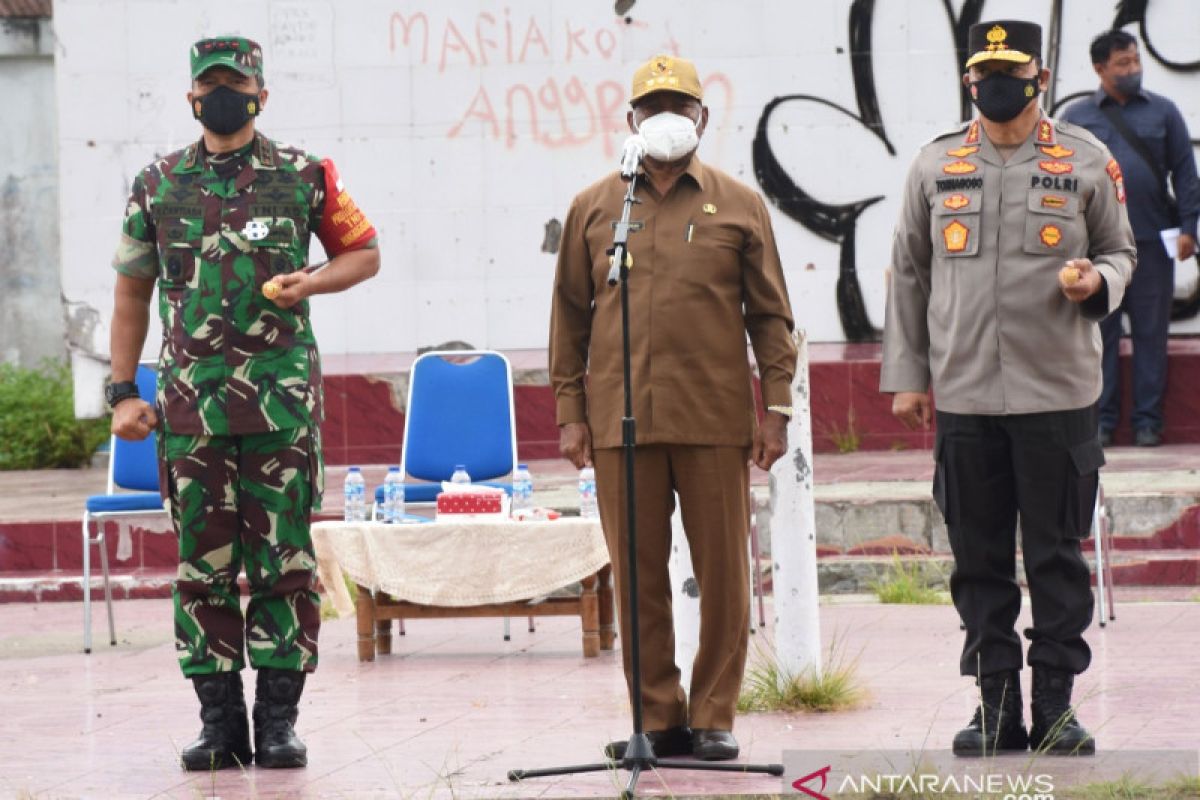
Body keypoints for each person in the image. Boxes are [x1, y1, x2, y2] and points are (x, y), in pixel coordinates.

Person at [106, 37, 380, 771]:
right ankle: (220, 724)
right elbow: (132, 290)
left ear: (261, 92)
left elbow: (366, 253)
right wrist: (123, 391)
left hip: (281, 413)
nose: (223, 94)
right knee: (203, 568)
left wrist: (310, 283)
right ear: (191, 97)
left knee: (285, 565)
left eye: (236, 82)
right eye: (211, 85)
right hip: (192, 415)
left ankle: (281, 721)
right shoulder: (157, 184)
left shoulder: (303, 176)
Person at [880, 20, 1136, 757]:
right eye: (983, 71)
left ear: (1040, 77)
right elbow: (909, 271)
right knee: (979, 558)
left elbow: (1122, 251)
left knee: (1056, 557)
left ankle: (1055, 704)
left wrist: (1098, 281)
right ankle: (995, 705)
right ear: (969, 82)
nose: (995, 83)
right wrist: (908, 376)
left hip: (1058, 394)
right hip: (964, 396)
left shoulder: (1086, 161)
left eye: (1009, 70)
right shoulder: (935, 165)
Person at [549, 53, 797, 762]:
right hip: (617, 421)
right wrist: (571, 411)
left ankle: (714, 713)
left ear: (702, 118)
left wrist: (775, 407)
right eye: (652, 106)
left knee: (724, 575)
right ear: (630, 119)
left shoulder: (738, 203)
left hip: (715, 418)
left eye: (679, 106)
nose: (666, 118)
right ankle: (656, 718)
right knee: (637, 574)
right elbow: (568, 315)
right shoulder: (597, 207)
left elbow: (771, 317)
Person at [1062, 30, 1200, 448]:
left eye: (1135, 61)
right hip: (1095, 252)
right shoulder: (1078, 117)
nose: (1132, 70)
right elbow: (1061, 182)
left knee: (1151, 337)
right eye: (1122, 64)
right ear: (1099, 69)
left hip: (1151, 246)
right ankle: (1102, 422)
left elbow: (1186, 173)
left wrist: (1190, 230)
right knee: (1098, 338)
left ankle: (1147, 423)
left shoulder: (1164, 112)